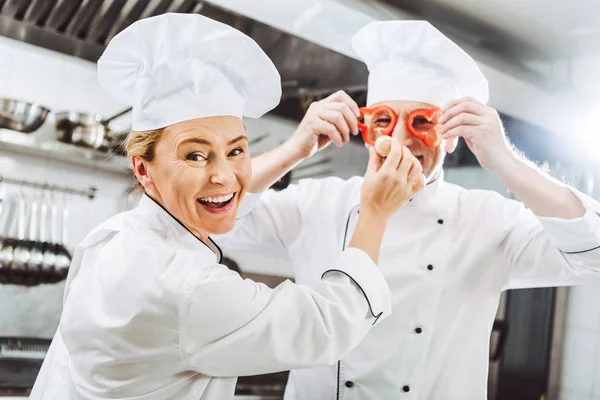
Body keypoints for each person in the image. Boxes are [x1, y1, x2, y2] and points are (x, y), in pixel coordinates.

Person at [28, 14, 425, 400]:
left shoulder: (113, 238)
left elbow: (219, 195)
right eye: (196, 156)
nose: (224, 175)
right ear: (143, 169)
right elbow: (327, 325)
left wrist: (293, 151)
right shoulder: (188, 288)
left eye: (236, 149)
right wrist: (375, 211)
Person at [214, 20, 600, 400]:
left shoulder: (488, 219)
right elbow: (213, 223)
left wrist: (505, 161)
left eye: (421, 122)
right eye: (382, 120)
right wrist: (293, 149)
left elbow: (594, 256)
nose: (399, 139)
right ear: (364, 131)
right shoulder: (316, 203)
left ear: (450, 139)